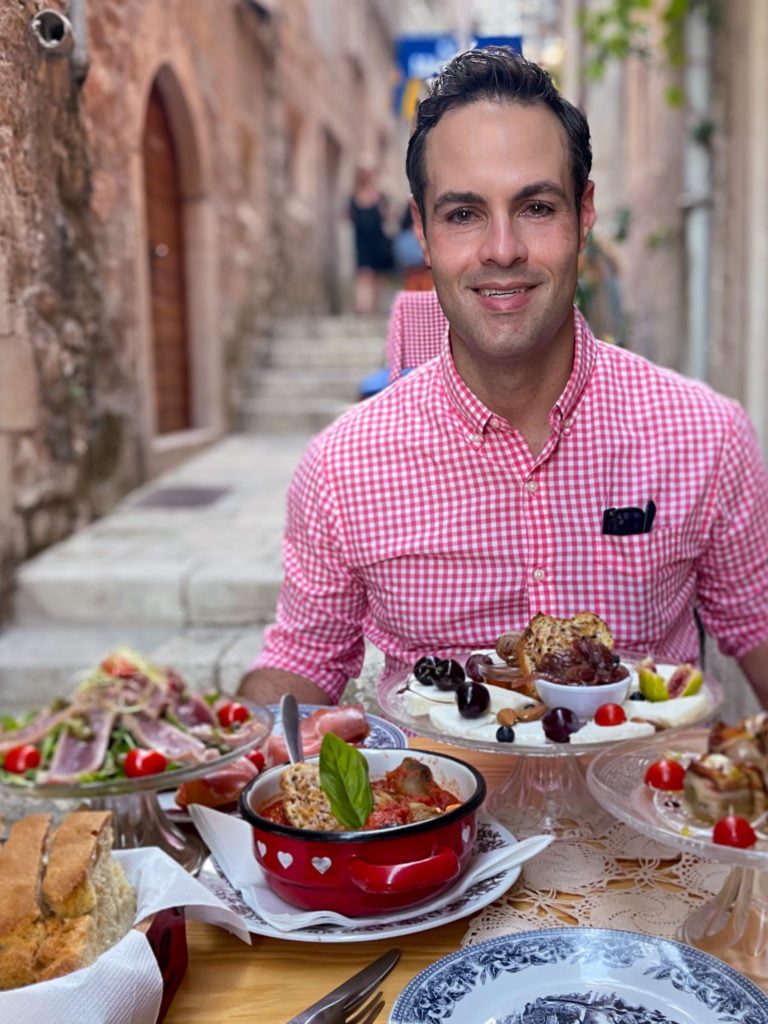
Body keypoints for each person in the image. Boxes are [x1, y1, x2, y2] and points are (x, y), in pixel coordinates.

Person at [239, 46, 768, 710]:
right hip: (439, 808)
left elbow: (757, 622)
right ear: (424, 234)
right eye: (463, 214)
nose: (502, 250)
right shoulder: (345, 468)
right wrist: (231, 739)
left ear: (584, 214)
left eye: (536, 207)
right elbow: (302, 661)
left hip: (643, 807)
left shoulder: (706, 437)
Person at [348, 164, 392, 314]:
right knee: (364, 274)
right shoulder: (353, 198)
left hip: (377, 240)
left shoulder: (380, 196)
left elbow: (387, 217)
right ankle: (364, 307)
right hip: (362, 241)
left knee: (376, 275)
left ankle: (373, 306)